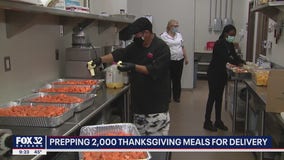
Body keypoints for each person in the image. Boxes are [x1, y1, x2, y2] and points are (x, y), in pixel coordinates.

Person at [91, 17, 171, 136]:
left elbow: (152, 70)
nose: (136, 38)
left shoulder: (161, 48)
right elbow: (120, 54)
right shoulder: (136, 46)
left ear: (147, 33)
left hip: (156, 108)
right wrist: (99, 60)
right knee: (139, 145)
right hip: (138, 106)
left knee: (155, 146)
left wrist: (133, 67)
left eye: (138, 35)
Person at [204, 24, 245, 132]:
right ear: (226, 33)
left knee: (219, 98)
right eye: (231, 35)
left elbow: (234, 55)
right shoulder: (219, 44)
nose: (233, 37)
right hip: (213, 73)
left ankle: (218, 121)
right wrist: (237, 63)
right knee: (212, 97)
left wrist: (242, 62)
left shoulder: (229, 44)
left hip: (222, 73)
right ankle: (207, 122)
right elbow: (226, 58)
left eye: (234, 35)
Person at [160, 19, 188, 103]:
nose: (176, 27)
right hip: (169, 61)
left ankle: (177, 97)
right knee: (168, 80)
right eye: (175, 26)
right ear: (169, 26)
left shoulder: (179, 35)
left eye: (177, 26)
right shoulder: (163, 36)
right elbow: (160, 49)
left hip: (179, 60)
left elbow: (182, 47)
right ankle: (167, 97)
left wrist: (186, 58)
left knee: (177, 79)